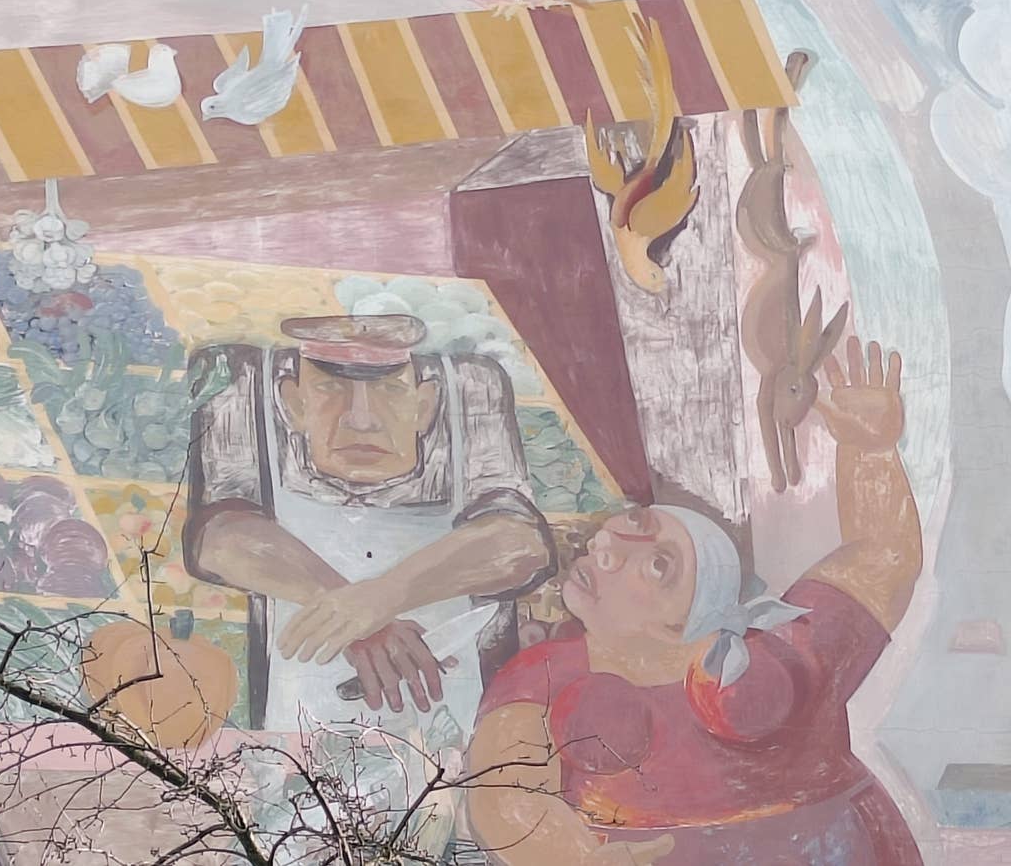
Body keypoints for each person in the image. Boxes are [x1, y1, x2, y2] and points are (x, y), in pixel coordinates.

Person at [465, 337, 924, 865]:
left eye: (658, 564)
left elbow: (884, 558)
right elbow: (505, 795)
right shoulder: (544, 674)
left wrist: (870, 450)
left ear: (686, 617)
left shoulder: (788, 649)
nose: (607, 546)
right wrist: (576, 858)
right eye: (631, 524)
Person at [184, 314, 556, 733]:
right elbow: (219, 539)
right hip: (299, 726)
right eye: (330, 388)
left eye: (390, 390)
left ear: (425, 404)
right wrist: (349, 613)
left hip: (460, 728)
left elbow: (521, 543)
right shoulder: (240, 379)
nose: (361, 419)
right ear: (293, 403)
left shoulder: (472, 388)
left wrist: (383, 597)